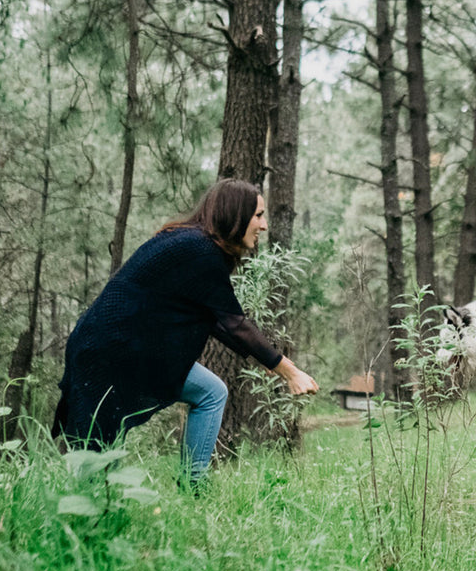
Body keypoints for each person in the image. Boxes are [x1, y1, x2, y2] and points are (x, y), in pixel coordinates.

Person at [54, 180, 318, 488]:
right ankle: (81, 521)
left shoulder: (195, 245)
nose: (264, 225)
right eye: (258, 215)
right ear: (236, 214)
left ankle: (193, 486)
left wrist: (279, 368)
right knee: (95, 456)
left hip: (130, 350)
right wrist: (289, 372)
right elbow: (235, 324)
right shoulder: (199, 250)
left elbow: (220, 323)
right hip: (106, 352)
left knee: (210, 392)